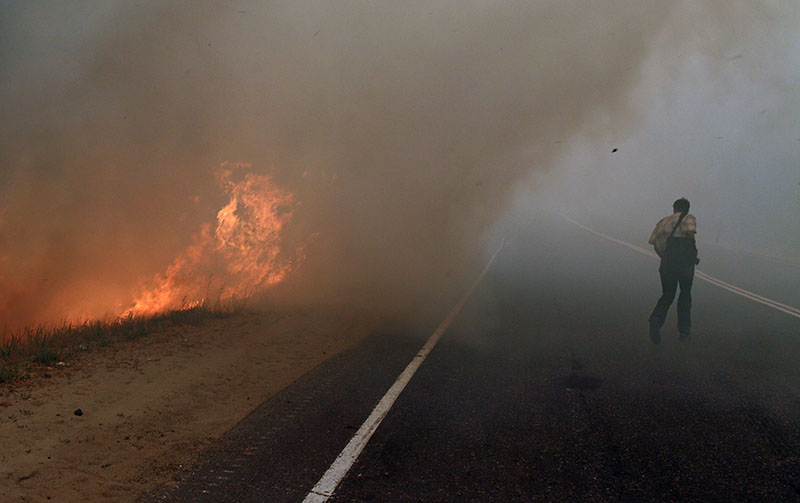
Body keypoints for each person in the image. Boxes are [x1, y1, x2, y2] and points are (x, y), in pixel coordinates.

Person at [647, 197, 699, 343]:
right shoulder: (689, 218)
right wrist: (691, 255)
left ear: (674, 208)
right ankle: (684, 332)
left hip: (667, 263)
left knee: (668, 294)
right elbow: (690, 236)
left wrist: (665, 257)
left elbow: (654, 243)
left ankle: (657, 318)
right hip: (685, 265)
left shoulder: (663, 222)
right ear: (687, 209)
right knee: (685, 296)